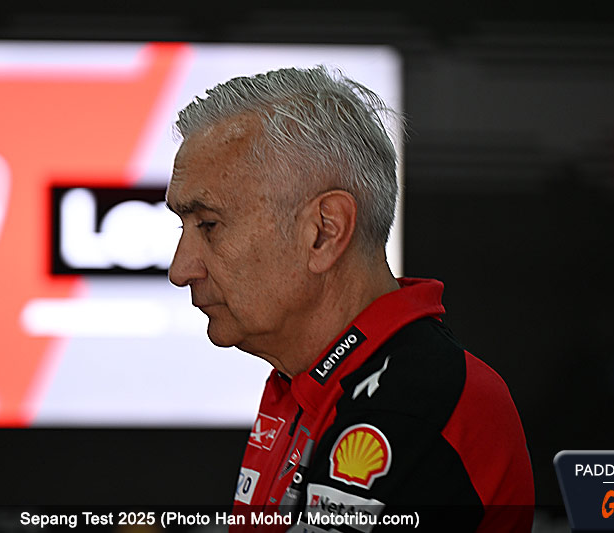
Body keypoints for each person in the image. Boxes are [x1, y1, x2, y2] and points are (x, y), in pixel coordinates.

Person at [165, 65, 534, 532]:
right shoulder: (313, 380)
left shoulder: (412, 404)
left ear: (324, 231)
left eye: (208, 225)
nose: (180, 269)